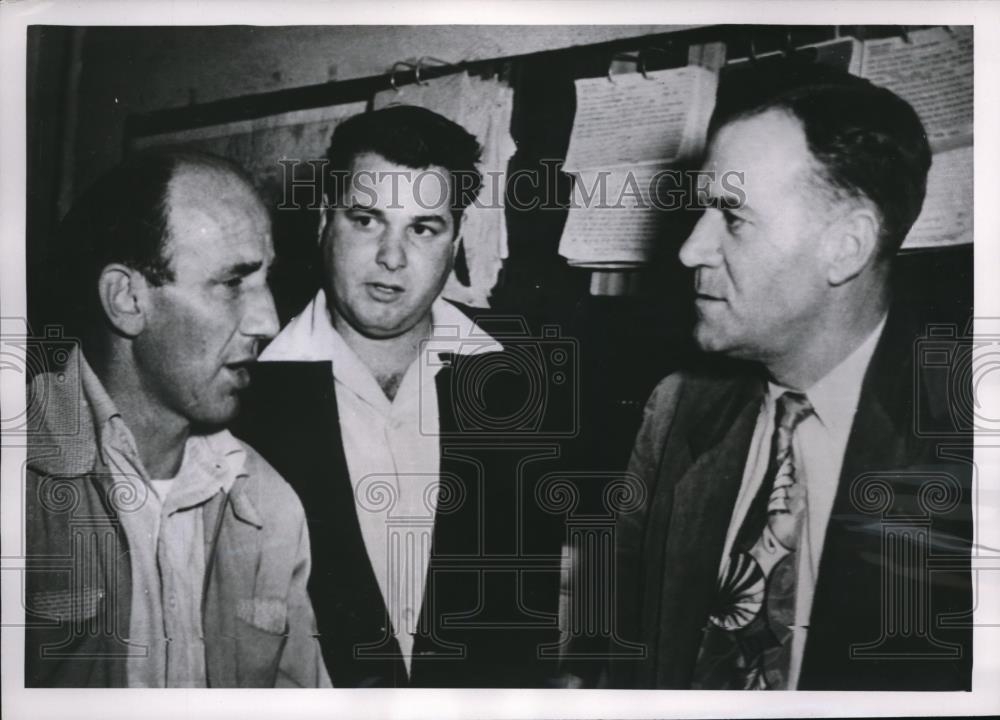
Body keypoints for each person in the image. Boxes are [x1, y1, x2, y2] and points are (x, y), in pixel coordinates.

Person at [609, 71, 972, 690]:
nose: (690, 249)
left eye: (733, 218)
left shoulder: (967, 447)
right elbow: (626, 646)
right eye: (701, 210)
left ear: (846, 247)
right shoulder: (677, 409)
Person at [235, 105, 565, 687]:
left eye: (422, 227)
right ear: (322, 221)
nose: (392, 257)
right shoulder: (242, 387)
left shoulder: (525, 378)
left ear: (457, 238)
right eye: (366, 220)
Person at [25, 149, 331, 688]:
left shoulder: (268, 504)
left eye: (266, 281)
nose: (269, 320)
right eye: (233, 282)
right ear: (126, 299)